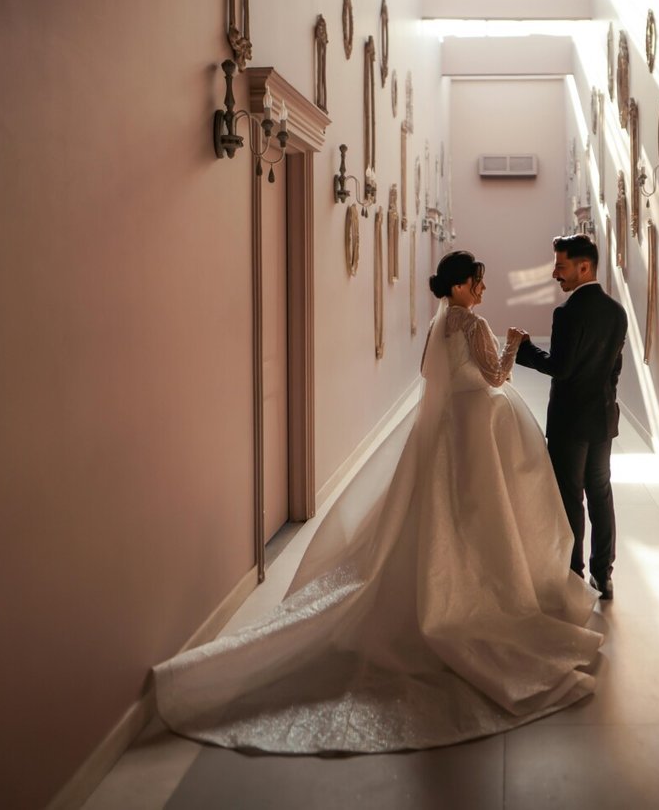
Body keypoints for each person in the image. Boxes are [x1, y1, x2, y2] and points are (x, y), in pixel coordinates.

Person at [151, 251, 602, 754]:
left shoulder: (439, 327)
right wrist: (515, 344)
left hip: (447, 430)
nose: (481, 290)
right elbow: (497, 377)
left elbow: (436, 380)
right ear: (458, 287)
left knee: (439, 511)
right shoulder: (473, 324)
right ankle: (485, 591)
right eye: (476, 283)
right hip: (477, 430)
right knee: (481, 512)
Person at [511, 235, 628, 600]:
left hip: (570, 423)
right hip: (602, 419)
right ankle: (603, 573)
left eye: (561, 267)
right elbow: (614, 370)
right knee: (600, 492)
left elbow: (559, 368)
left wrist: (523, 348)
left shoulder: (567, 313)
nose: (554, 274)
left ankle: (574, 572)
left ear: (584, 267)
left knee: (569, 496)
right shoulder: (616, 312)